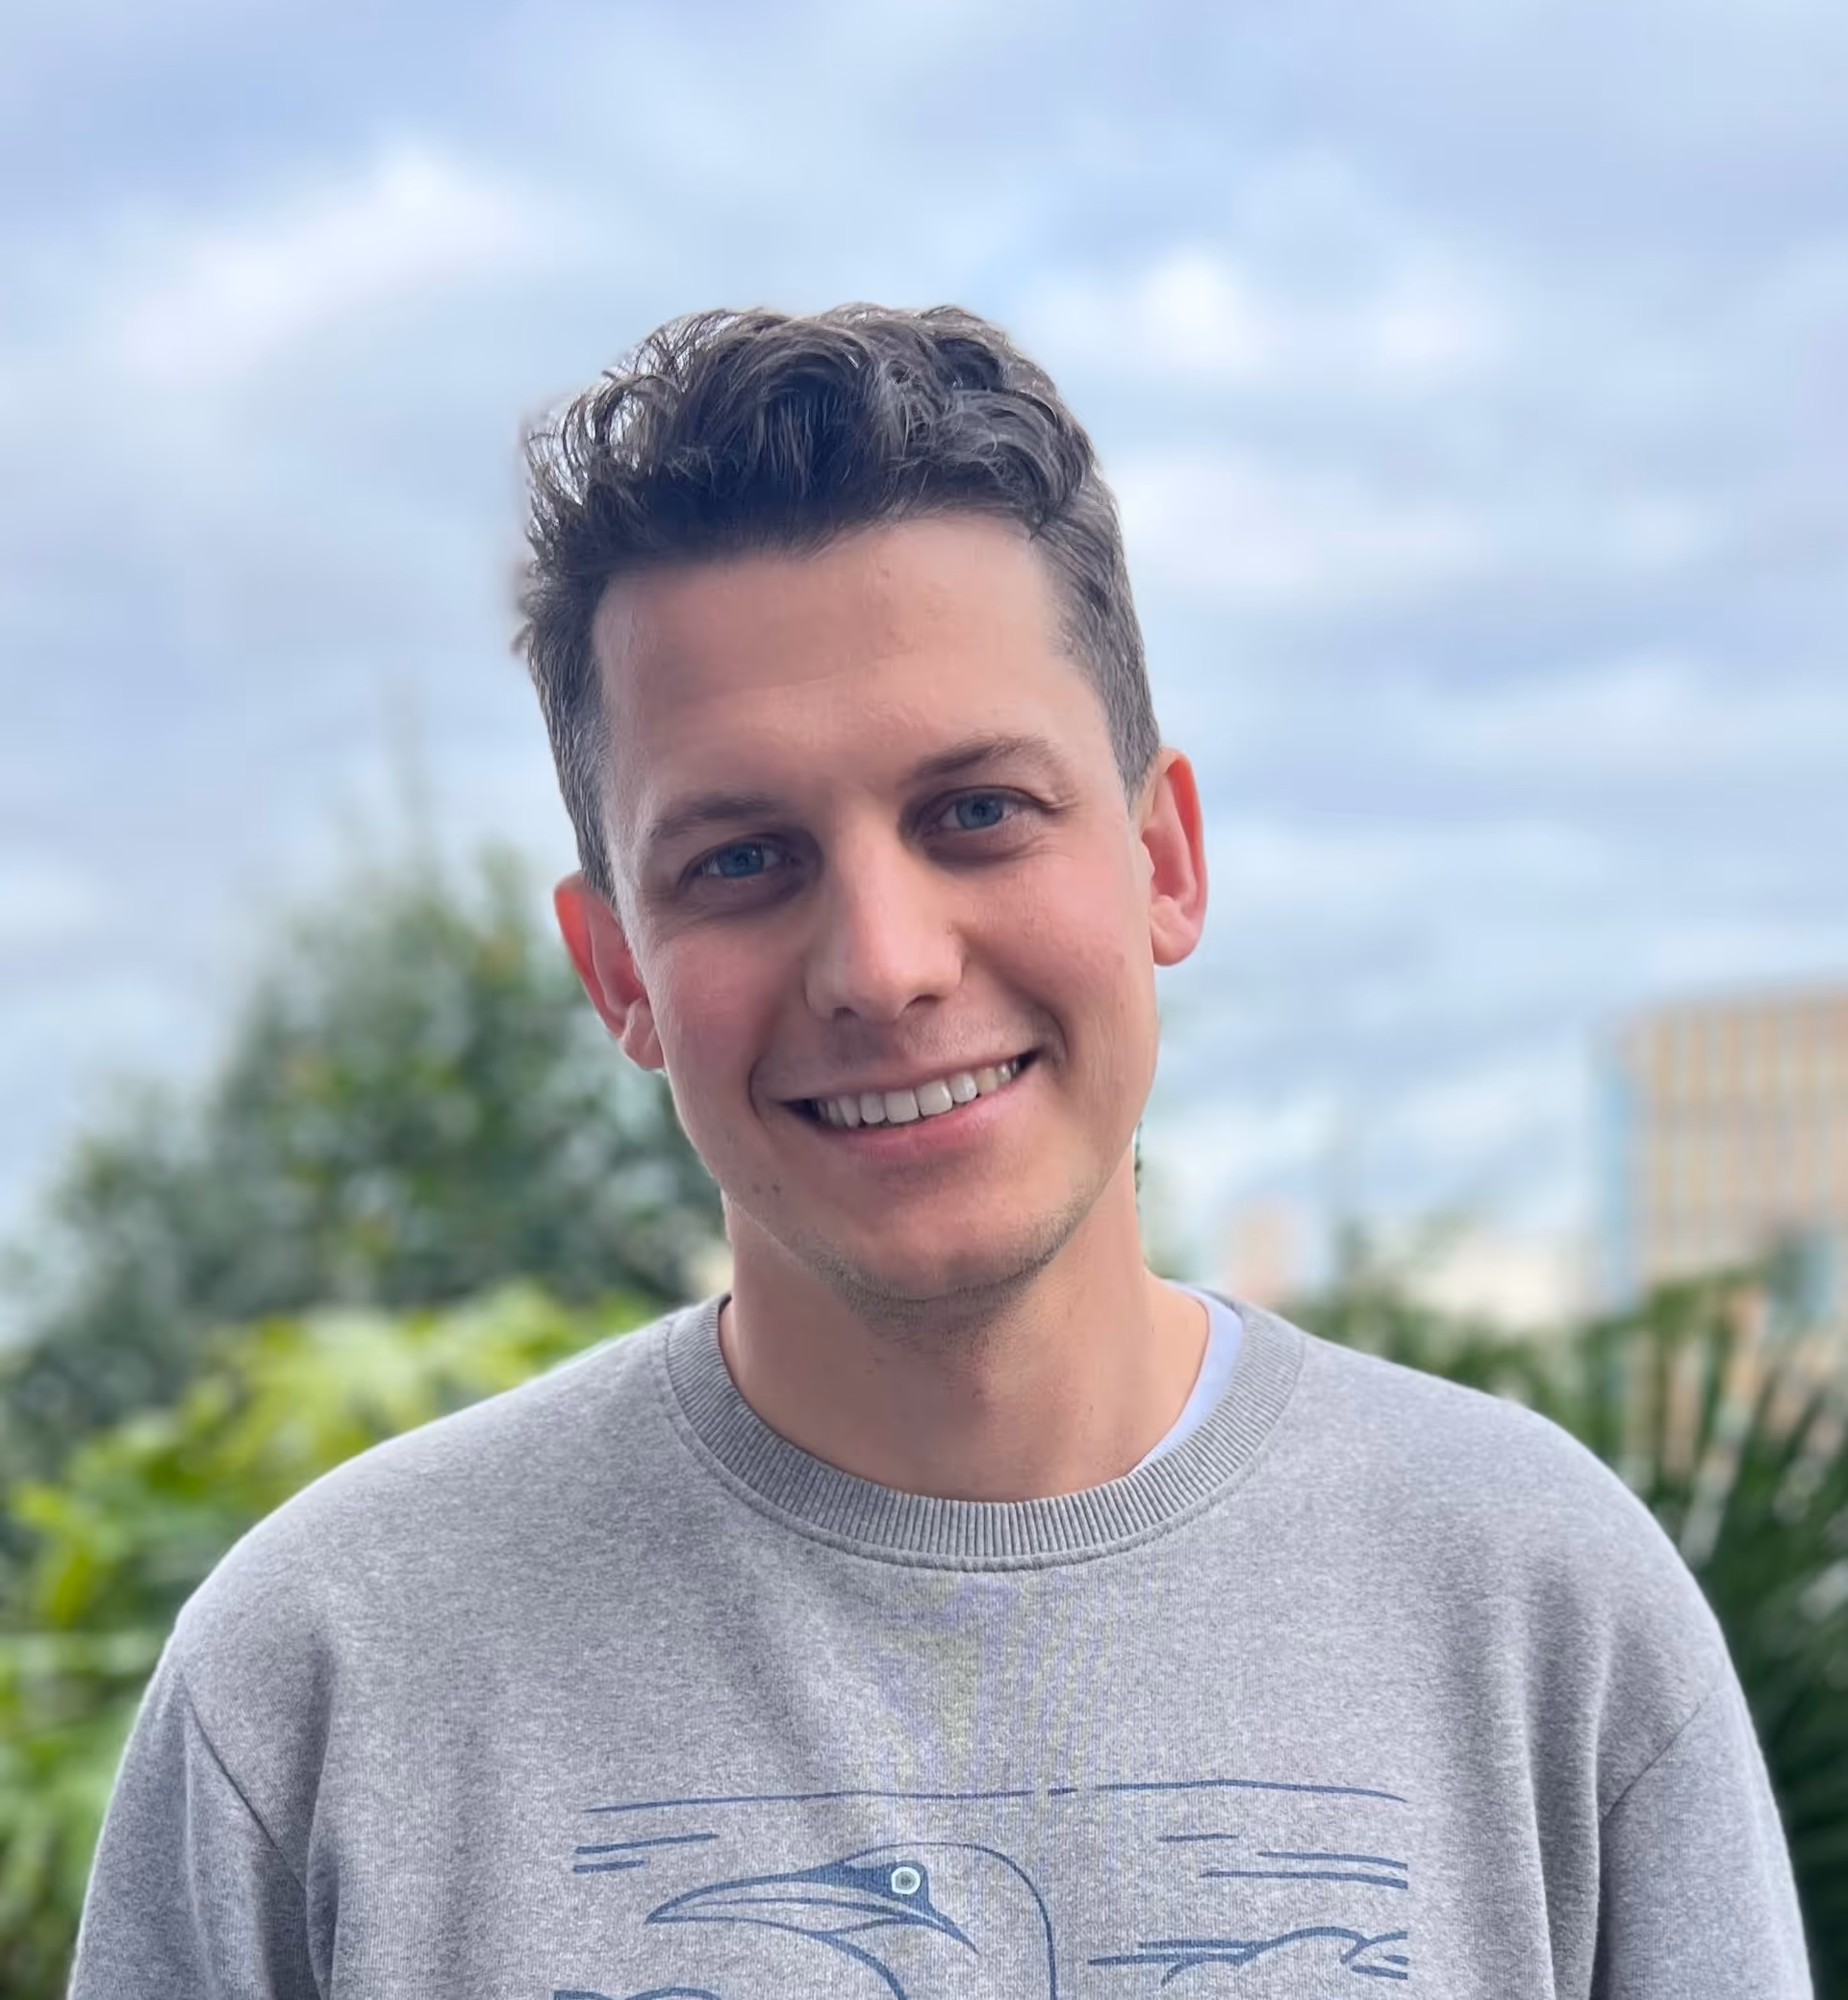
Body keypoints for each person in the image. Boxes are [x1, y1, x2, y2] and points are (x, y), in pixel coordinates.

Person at [70, 305, 1811, 1999]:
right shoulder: (317, 1684)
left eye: (977, 811)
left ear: (1165, 861)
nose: (885, 964)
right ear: (617, 974)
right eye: (740, 860)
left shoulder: (1541, 1609)